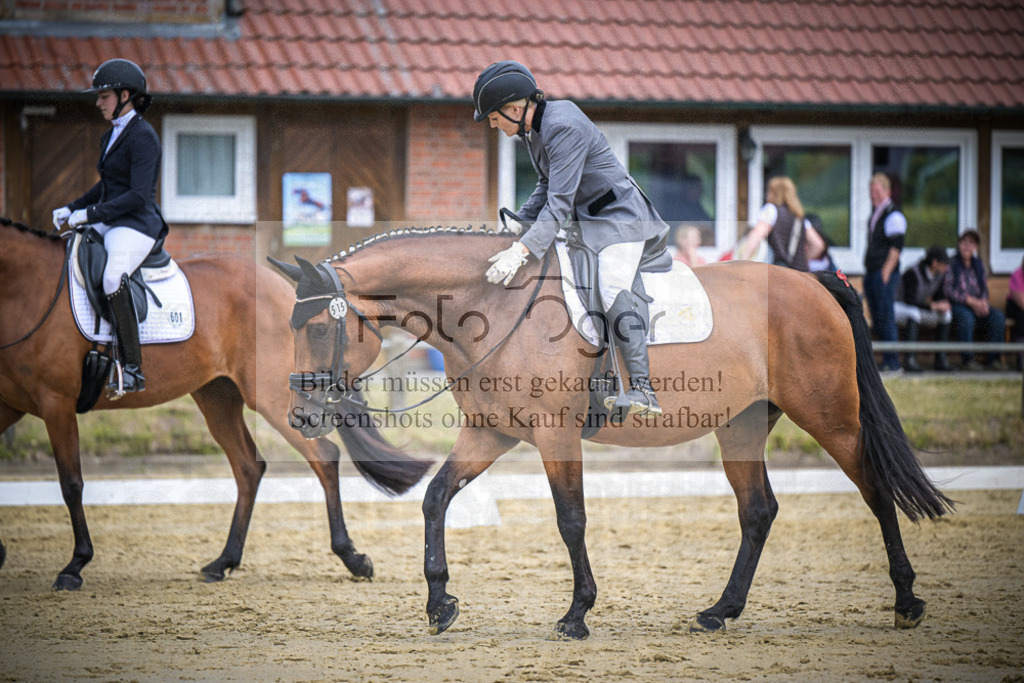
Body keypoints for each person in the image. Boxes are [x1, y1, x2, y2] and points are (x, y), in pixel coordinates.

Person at [474, 60, 668, 417]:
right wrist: (521, 222)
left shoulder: (563, 127)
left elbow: (560, 204)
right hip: (588, 223)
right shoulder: (534, 129)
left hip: (620, 219)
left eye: (495, 117)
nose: (493, 124)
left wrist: (522, 250)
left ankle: (642, 388)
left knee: (610, 286)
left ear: (515, 109)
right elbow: (548, 186)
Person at [51, 58, 167, 398]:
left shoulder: (144, 137)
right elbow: (107, 187)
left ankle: (132, 368)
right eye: (98, 96)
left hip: (137, 224)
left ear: (125, 95)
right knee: (68, 252)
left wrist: (88, 215)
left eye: (104, 95)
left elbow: (136, 195)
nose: (98, 102)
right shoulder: (109, 137)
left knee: (114, 276)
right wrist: (72, 208)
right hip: (111, 218)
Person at [943, 229, 1006, 371]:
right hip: (958, 305)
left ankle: (994, 360)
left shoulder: (978, 264)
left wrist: (983, 303)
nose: (967, 246)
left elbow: (984, 288)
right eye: (964, 242)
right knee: (966, 317)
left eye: (971, 243)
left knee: (997, 317)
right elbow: (948, 290)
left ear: (976, 247)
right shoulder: (951, 264)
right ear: (959, 245)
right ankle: (968, 361)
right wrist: (969, 301)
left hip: (977, 305)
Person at [863, 172, 906, 372]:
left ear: (887, 191)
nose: (873, 195)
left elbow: (896, 247)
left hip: (883, 274)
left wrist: (886, 273)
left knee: (886, 316)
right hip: (872, 272)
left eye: (877, 191)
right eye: (871, 191)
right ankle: (886, 361)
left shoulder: (893, 214)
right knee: (877, 316)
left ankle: (893, 362)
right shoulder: (876, 213)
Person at [894, 246, 952, 372]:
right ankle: (909, 360)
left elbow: (938, 295)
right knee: (914, 313)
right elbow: (910, 300)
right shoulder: (912, 272)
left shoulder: (939, 275)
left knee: (946, 315)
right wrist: (933, 306)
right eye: (944, 263)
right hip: (899, 306)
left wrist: (943, 304)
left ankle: (941, 360)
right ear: (935, 262)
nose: (946, 267)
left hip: (917, 308)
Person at [738, 176, 808, 271]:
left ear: (773, 193)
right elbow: (818, 245)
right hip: (801, 273)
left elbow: (756, 236)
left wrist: (742, 259)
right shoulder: (799, 217)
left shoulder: (771, 210)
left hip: (778, 272)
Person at [1006, 254, 1024, 369]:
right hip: (1016, 306)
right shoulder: (1017, 275)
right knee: (1022, 317)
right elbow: (1022, 303)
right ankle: (1021, 357)